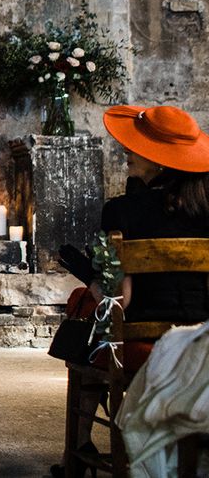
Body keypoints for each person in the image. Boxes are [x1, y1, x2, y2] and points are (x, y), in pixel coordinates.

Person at [52, 104, 209, 476]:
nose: (126, 151)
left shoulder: (122, 212)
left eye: (134, 147)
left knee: (91, 321)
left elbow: (120, 300)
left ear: (158, 159)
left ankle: (77, 451)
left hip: (142, 341)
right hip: (202, 338)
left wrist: (84, 272)